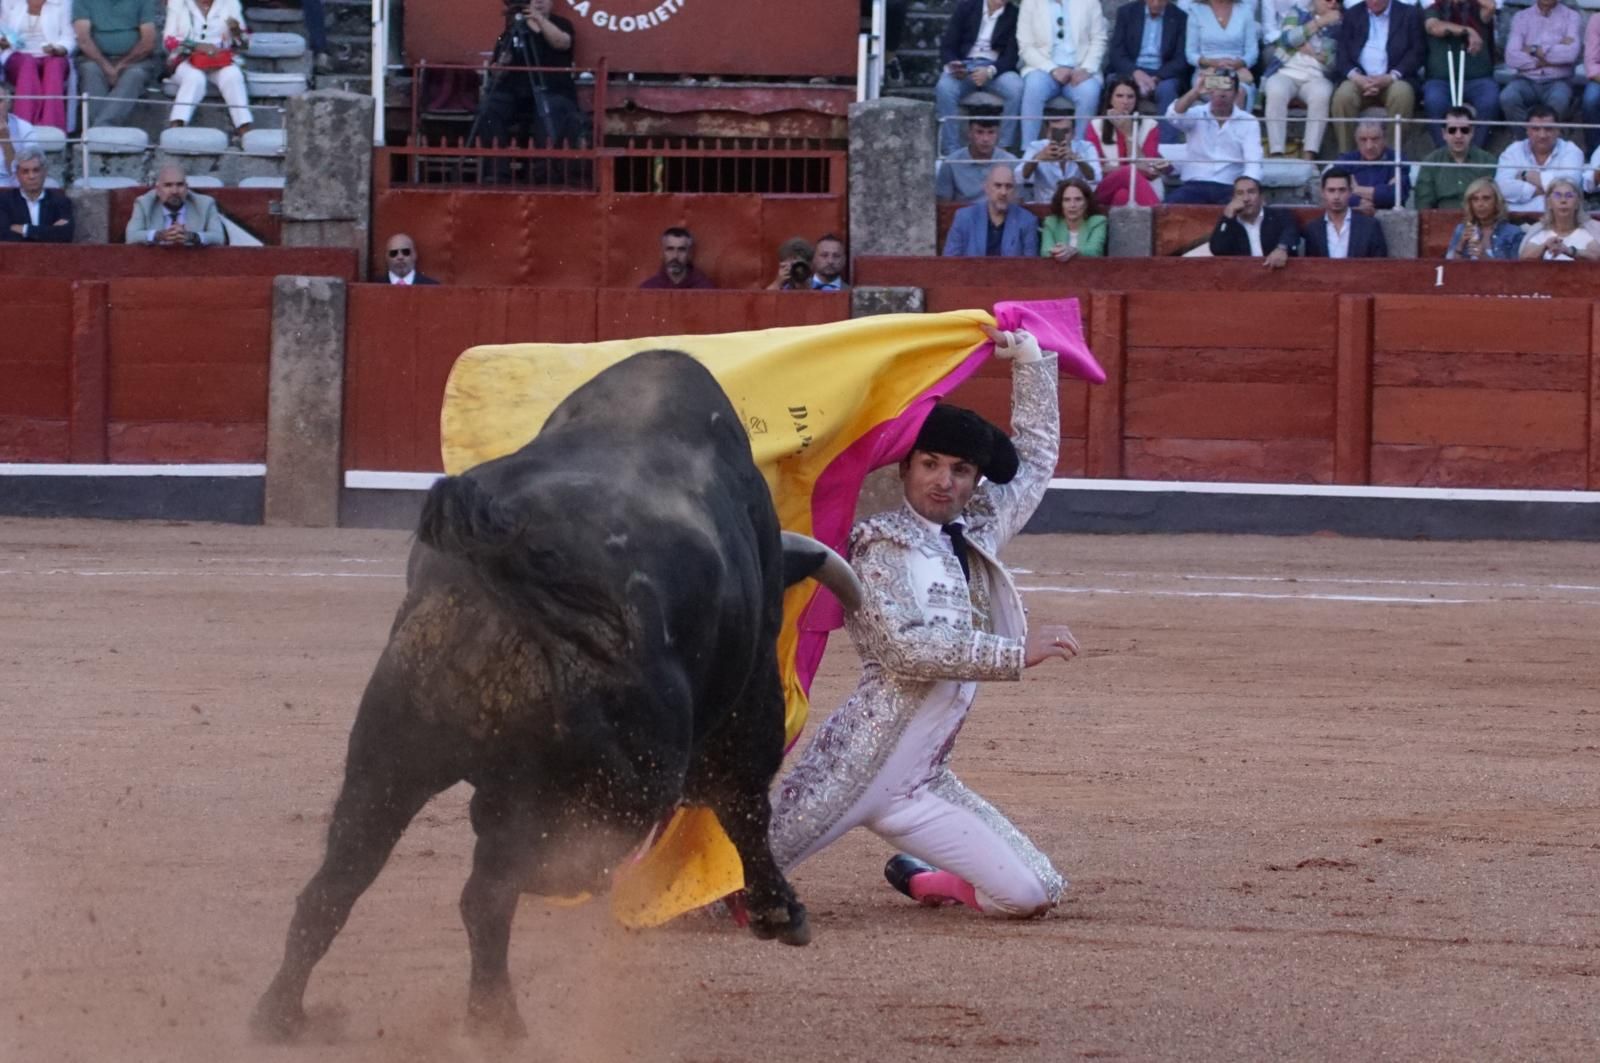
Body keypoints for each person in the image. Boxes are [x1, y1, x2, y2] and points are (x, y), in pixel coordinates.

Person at [766, 325, 1079, 920]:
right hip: (853, 767)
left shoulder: (976, 532)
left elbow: (1034, 460)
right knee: (720, 888)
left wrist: (1031, 364)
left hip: (922, 781)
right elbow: (905, 649)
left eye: (960, 470)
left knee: (1031, 893)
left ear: (975, 479)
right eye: (930, 464)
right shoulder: (878, 543)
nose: (944, 481)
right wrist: (1016, 652)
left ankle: (925, 878)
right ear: (904, 468)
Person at [471, 0, 581, 157]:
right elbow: (496, 71)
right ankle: (496, 173)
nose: (539, 1)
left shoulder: (562, 24)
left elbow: (562, 43)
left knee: (550, 112)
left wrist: (539, 20)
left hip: (552, 90)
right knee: (488, 109)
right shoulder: (513, 29)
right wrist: (501, 66)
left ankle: (545, 173)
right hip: (515, 91)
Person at [1330, 0, 1425, 154]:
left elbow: (1417, 52)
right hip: (1359, 80)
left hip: (1393, 79)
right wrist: (1358, 78)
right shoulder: (1353, 14)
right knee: (1343, 96)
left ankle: (1392, 155)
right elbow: (1342, 55)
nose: (1373, 1)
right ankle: (1347, 155)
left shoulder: (1409, 13)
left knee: (1403, 93)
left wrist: (1391, 77)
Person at [935, 0, 1024, 155]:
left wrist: (990, 71)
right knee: (945, 88)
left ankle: (1004, 148)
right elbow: (948, 45)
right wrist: (954, 64)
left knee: (1016, 88)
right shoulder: (967, 7)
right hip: (965, 64)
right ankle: (951, 150)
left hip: (996, 68)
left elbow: (1012, 56)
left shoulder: (1014, 15)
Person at [1163, 71, 1263, 204]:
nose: (1221, 93)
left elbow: (1254, 161)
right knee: (1167, 210)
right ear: (1210, 90)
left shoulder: (1248, 120)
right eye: (1216, 87)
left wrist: (1248, 192)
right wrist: (1195, 92)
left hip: (1230, 185)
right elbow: (1173, 115)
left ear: (1236, 93)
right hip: (1195, 183)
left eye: (1227, 88)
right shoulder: (1196, 113)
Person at [1016, 0, 1108, 143]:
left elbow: (1099, 39)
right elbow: (1026, 46)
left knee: (1090, 92)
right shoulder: (1030, 3)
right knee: (1033, 87)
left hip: (1080, 68)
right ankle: (1029, 151)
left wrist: (1087, 68)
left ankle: (1080, 152)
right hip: (1043, 67)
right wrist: (1052, 69)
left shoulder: (1090, 2)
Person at [1262, 0, 1341, 160]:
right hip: (1287, 71)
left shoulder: (1342, 24)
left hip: (1317, 76)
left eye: (1337, 1)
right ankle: (1276, 152)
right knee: (1275, 90)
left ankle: (1309, 154)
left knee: (1321, 94)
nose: (1332, 3)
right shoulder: (1297, 13)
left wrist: (1313, 53)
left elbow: (1334, 63)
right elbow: (1287, 39)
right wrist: (1320, 22)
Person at [162, 0, 253, 138]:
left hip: (219, 60)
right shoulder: (178, 3)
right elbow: (168, 41)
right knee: (194, 77)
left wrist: (237, 32)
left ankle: (244, 128)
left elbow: (245, 45)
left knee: (233, 75)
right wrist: (196, 46)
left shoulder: (230, 3)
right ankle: (177, 125)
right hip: (186, 59)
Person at [1421, 0, 1498, 148]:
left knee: (1490, 100)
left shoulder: (1478, 9)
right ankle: (1445, 153)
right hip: (1441, 81)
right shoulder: (1435, 9)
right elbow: (1434, 27)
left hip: (1478, 80)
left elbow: (1491, 6)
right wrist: (1468, 30)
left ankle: (1474, 152)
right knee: (1433, 101)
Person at [72, 0, 159, 127]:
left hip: (135, 61)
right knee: (89, 70)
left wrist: (121, 65)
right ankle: (102, 132)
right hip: (95, 58)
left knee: (135, 74)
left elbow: (148, 42)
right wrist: (106, 66)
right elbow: (83, 39)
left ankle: (99, 130)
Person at [1086, 76, 1166, 206]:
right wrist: (1128, 171)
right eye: (1120, 96)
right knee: (1128, 172)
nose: (1125, 101)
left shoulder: (1150, 125)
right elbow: (1097, 170)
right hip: (1104, 188)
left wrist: (1128, 133)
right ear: (1111, 99)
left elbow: (1148, 171)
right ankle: (1160, 216)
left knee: (1123, 195)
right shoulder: (1095, 125)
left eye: (1130, 97)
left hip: (1139, 189)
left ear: (1136, 100)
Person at [1499, 0, 1580, 126]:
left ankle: (1548, 141)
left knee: (1559, 100)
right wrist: (1551, 52)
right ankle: (1525, 140)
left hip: (1558, 81)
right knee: (1508, 97)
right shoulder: (1521, 17)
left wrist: (1532, 49)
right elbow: (1511, 56)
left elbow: (1570, 54)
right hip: (1525, 80)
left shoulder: (1571, 17)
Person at [1105, 0, 1189, 119]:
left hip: (1162, 72)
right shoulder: (1127, 12)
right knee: (1115, 83)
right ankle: (1111, 134)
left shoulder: (1180, 17)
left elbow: (1181, 58)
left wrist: (1158, 77)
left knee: (1167, 89)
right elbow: (1116, 52)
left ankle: (1166, 138)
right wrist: (1135, 72)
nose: (1156, 4)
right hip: (1132, 68)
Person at [0, 0, 74, 133]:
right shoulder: (9, 2)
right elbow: (2, 29)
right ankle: (24, 129)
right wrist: (3, 41)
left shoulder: (63, 2)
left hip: (53, 54)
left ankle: (52, 130)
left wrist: (59, 49)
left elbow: (69, 37)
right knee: (28, 64)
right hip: (18, 55)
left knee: (55, 66)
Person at [1496, 105, 1583, 215]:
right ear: (1527, 130)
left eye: (1548, 129)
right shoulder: (1513, 150)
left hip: (1558, 220)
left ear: (1558, 130)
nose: (1542, 135)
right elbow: (1501, 187)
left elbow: (1571, 184)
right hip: (1517, 219)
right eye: (1536, 129)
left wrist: (1526, 175)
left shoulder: (1571, 150)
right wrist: (1538, 190)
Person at [944, 163, 1040, 256]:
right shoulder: (964, 218)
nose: (1003, 192)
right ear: (986, 188)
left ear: (1014, 190)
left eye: (1009, 186)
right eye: (998, 186)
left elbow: (1030, 266)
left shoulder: (1027, 221)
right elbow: (950, 262)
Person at [1413, 106, 1496, 210]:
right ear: (1444, 134)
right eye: (1452, 130)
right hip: (1441, 221)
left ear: (1472, 132)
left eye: (1464, 130)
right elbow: (1423, 205)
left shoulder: (1487, 161)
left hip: (1479, 221)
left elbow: (1491, 203)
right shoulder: (1431, 163)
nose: (1458, 135)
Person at [125, 162, 225, 246]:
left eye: (180, 185)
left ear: (187, 188)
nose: (175, 191)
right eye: (168, 185)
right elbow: (131, 236)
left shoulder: (205, 204)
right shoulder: (144, 203)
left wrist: (192, 237)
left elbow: (219, 238)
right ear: (158, 189)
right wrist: (159, 235)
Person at [1208, 174, 1297, 267]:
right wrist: (1227, 217)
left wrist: (1282, 248)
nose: (1246, 199)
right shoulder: (1230, 223)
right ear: (1233, 199)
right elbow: (1217, 250)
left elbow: (1291, 232)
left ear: (1261, 197)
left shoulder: (1279, 216)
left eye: (1251, 192)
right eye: (1240, 193)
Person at [1185, 0, 1258, 110]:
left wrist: (1238, 63)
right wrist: (1212, 63)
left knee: (1239, 91)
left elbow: (1252, 53)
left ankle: (1233, 127)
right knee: (1222, 90)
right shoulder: (1196, 10)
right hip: (1208, 71)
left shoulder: (1245, 10)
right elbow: (1190, 54)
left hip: (1237, 72)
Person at [1302, 166, 1388, 256]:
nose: (1336, 196)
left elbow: (1380, 264)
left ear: (1350, 192)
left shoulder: (1370, 226)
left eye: (1342, 190)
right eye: (1331, 190)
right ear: (1323, 193)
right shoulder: (1313, 229)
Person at [1016, 113, 1100, 203]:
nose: (1061, 136)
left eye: (1065, 131)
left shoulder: (1086, 147)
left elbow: (1096, 178)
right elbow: (1019, 177)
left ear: (1073, 133)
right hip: (1045, 205)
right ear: (1048, 133)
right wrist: (1037, 158)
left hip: (1075, 205)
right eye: (1055, 131)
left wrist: (1077, 159)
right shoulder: (1036, 147)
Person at [1334, 119, 1410, 212]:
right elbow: (1337, 194)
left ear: (1384, 139)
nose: (1369, 146)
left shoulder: (1398, 159)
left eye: (1375, 139)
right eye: (1363, 140)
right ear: (1356, 140)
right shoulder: (1346, 160)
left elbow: (1397, 195)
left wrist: (1355, 189)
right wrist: (1358, 202)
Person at [936, 118, 1019, 202]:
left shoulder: (1011, 162)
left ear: (998, 134)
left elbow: (1018, 202)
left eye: (991, 132)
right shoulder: (951, 163)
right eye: (979, 132)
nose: (985, 139)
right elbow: (943, 205)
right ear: (969, 133)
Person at [0, 146, 72, 241]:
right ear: (17, 175)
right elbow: (4, 235)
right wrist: (49, 232)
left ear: (45, 172)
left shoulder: (60, 201)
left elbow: (65, 235)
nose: (31, 176)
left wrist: (26, 230)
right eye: (25, 171)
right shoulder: (4, 201)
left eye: (36, 170)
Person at [1519, 177, 1600, 260]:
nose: (1563, 200)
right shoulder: (1538, 230)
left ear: (1577, 203)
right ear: (1548, 203)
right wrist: (1544, 246)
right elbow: (1523, 259)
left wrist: (1569, 251)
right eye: (1557, 195)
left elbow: (1597, 256)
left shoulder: (1593, 230)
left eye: (1569, 196)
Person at [1444, 178, 1523, 260]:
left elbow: (1516, 270)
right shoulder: (1461, 229)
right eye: (1475, 199)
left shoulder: (1514, 233)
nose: (1480, 204)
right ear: (1470, 204)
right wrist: (1460, 244)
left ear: (1497, 202)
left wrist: (1485, 258)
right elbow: (1447, 267)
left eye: (1486, 198)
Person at [1039, 175, 1106, 258]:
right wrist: (1059, 252)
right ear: (1061, 203)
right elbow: (1045, 251)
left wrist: (1074, 251)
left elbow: (1095, 251)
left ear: (1087, 202)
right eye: (1067, 200)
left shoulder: (1098, 222)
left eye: (1078, 199)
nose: (1072, 205)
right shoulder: (1051, 222)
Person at [639, 226, 715, 289]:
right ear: (662, 253)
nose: (675, 256)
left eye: (681, 250)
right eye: (670, 249)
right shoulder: (649, 289)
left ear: (689, 254)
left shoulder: (704, 289)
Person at [0, 83, 42, 188]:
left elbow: (28, 175)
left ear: (8, 104)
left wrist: (5, 139)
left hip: (12, 186)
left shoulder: (24, 128)